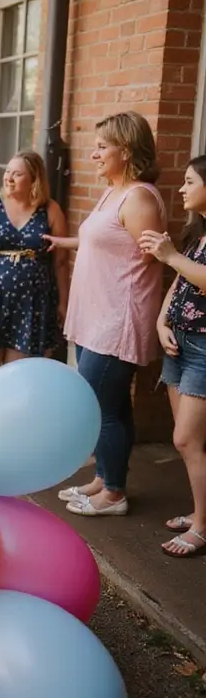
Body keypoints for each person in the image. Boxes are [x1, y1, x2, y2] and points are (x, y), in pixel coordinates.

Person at [47, 111, 167, 518]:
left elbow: (150, 258)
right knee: (112, 405)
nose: (94, 154)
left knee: (101, 407)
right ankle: (105, 477)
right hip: (93, 318)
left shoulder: (140, 198)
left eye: (102, 147)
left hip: (117, 322)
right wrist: (62, 242)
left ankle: (114, 494)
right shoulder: (114, 192)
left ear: (126, 150)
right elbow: (105, 242)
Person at [139, 155, 206, 558]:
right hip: (178, 343)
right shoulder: (198, 234)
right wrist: (162, 321)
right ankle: (201, 512)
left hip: (203, 350)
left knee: (186, 438)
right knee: (187, 443)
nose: (182, 188)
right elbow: (181, 282)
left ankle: (201, 526)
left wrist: (169, 256)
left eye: (190, 181)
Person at [0, 151, 69, 383]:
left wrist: (63, 302)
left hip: (31, 302)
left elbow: (60, 261)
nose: (8, 178)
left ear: (34, 180)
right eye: (7, 172)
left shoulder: (50, 210)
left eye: (17, 174)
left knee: (19, 374)